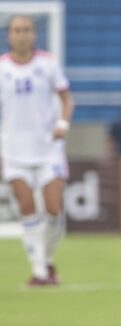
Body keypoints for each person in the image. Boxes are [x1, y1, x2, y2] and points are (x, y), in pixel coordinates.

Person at [0, 15, 75, 287]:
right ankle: (40, 273)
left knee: (54, 210)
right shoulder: (2, 68)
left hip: (48, 149)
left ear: (34, 34)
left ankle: (47, 258)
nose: (22, 35)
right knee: (27, 209)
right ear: (9, 35)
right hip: (14, 151)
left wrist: (63, 123)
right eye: (17, 30)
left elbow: (67, 99)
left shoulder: (48, 62)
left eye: (27, 30)